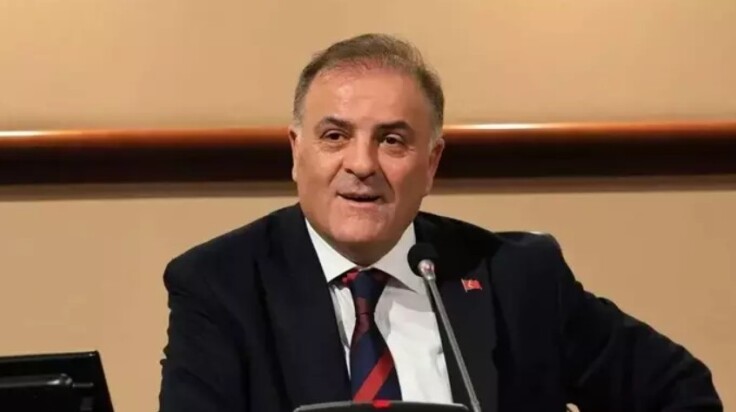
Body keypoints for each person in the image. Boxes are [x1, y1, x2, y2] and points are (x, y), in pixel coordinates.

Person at [158, 33, 722, 412]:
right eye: (335, 136)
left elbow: (679, 391)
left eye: (392, 140)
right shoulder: (221, 285)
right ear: (296, 151)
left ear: (431, 164)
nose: (361, 164)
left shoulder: (517, 278)